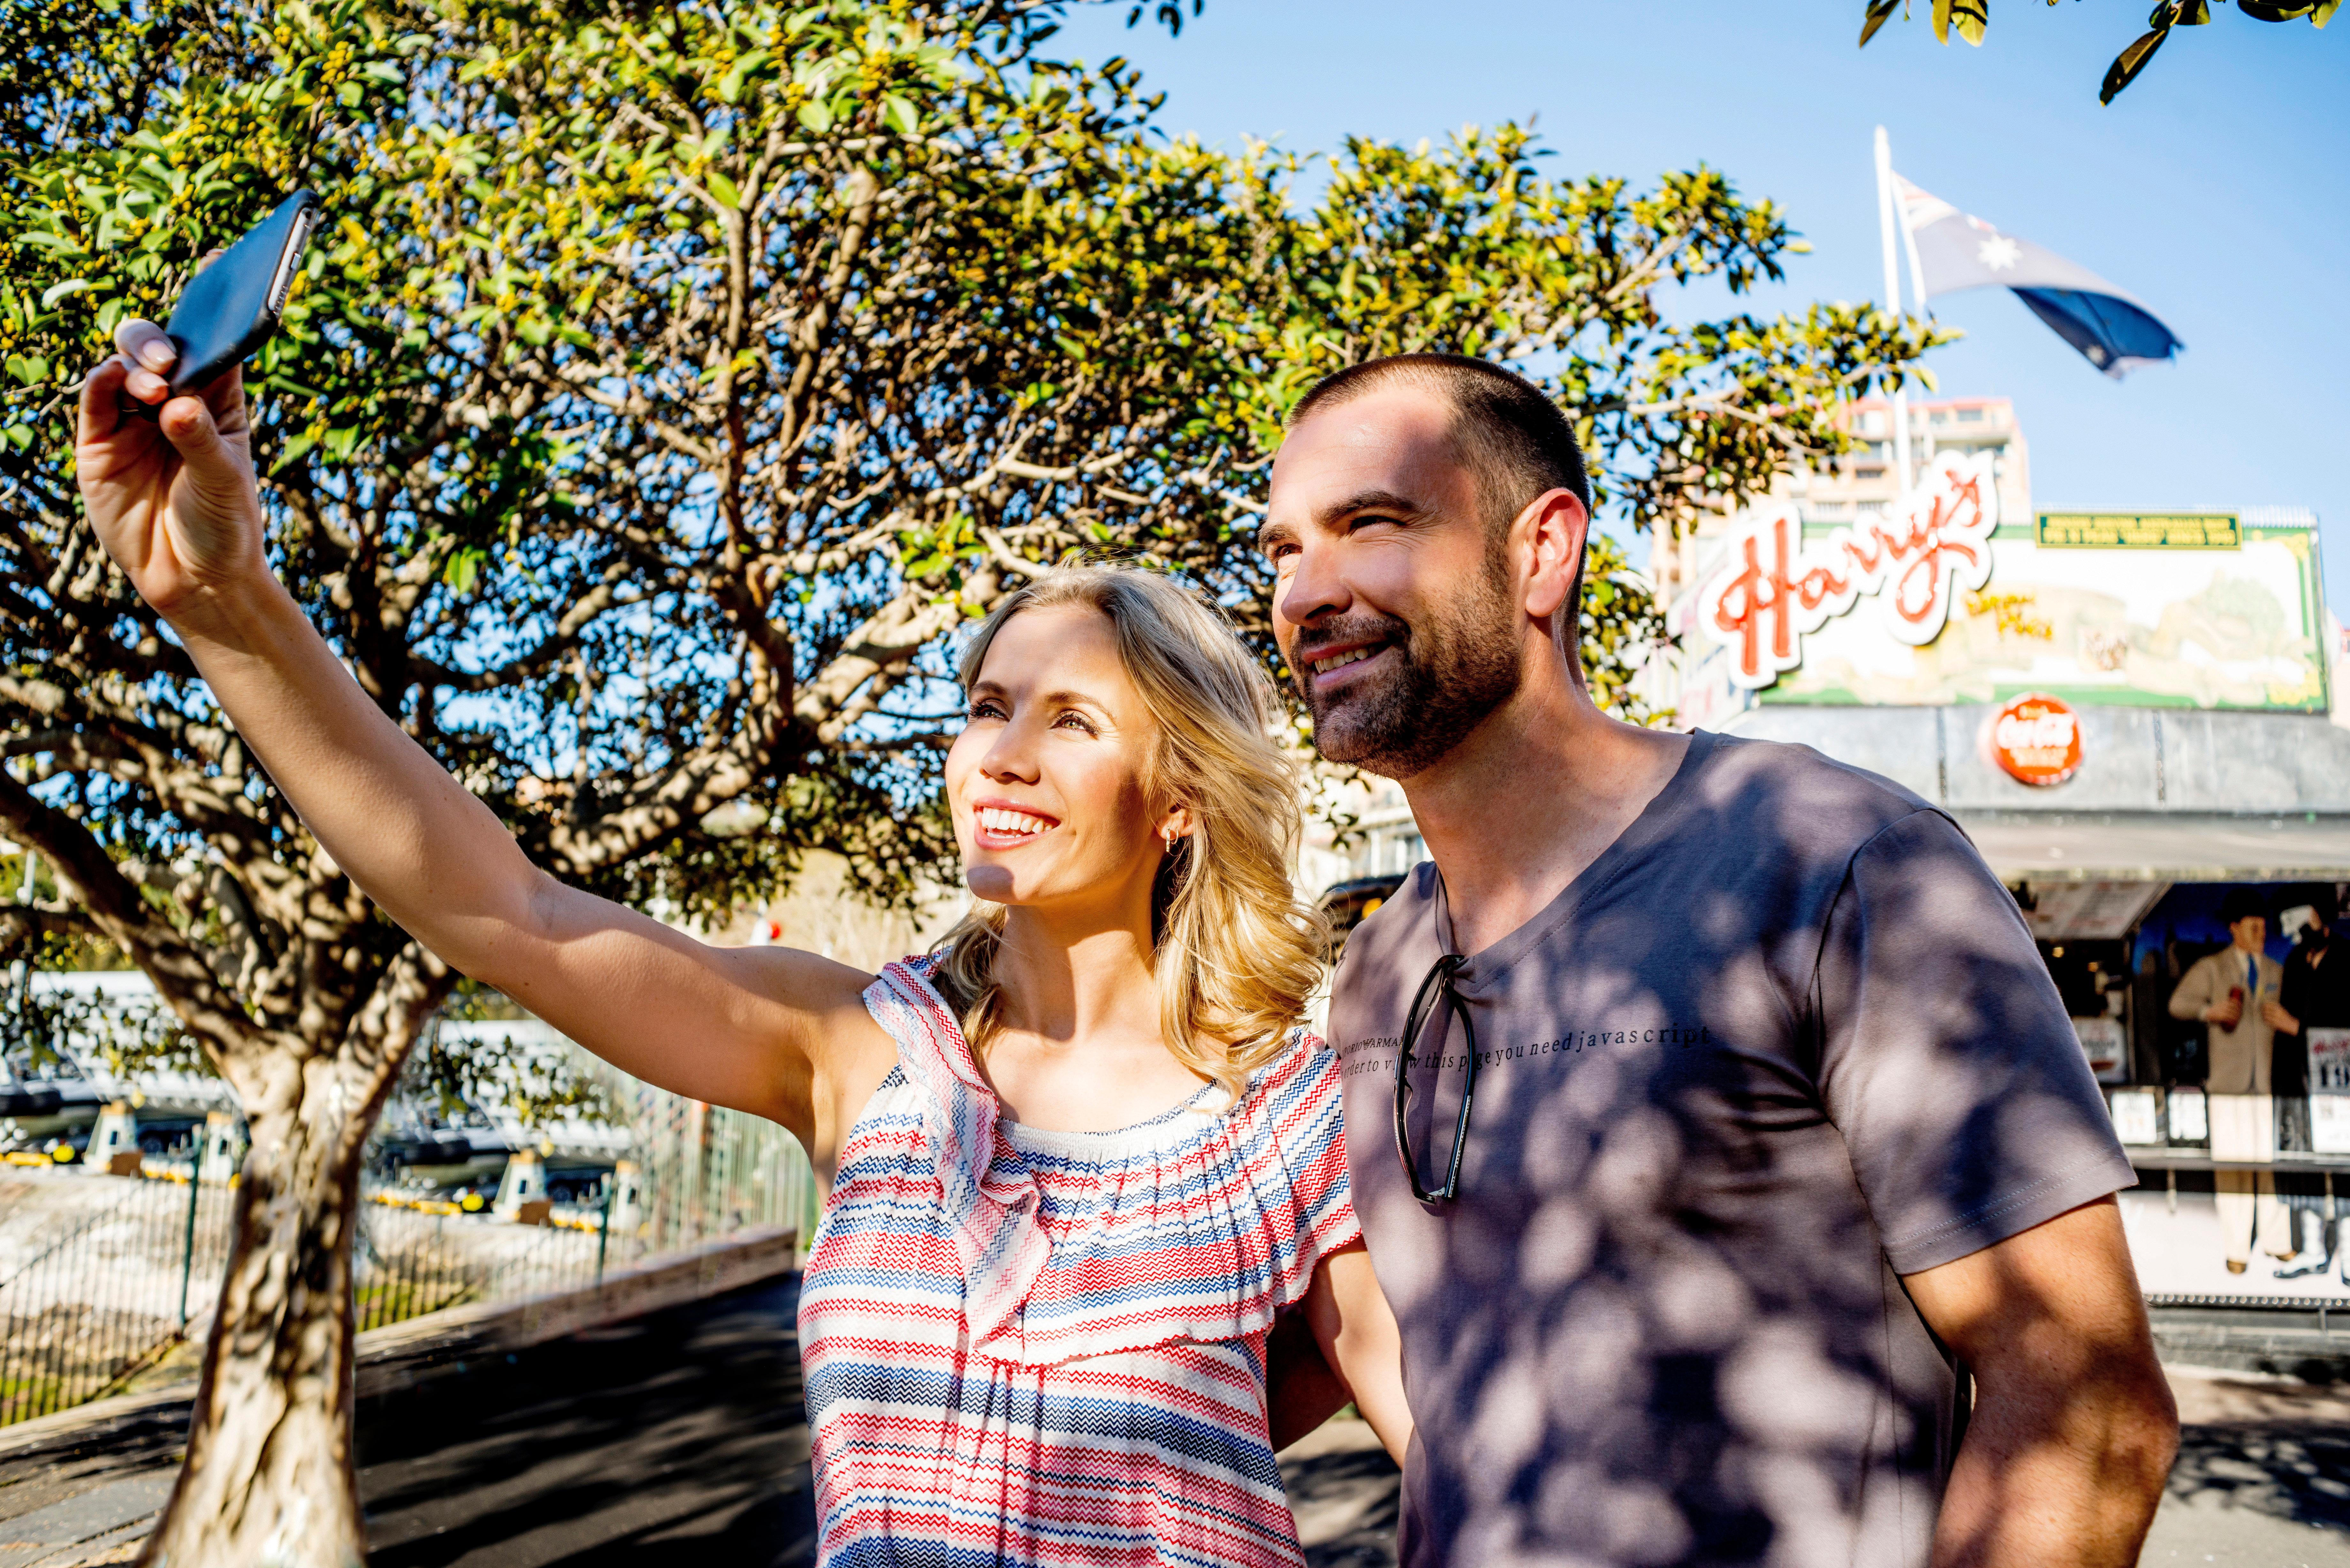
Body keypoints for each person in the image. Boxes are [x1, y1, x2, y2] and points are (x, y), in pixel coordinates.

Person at [77, 324, 1411, 1568]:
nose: (998, 755)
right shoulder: (857, 1051)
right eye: (987, 706)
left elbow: (1489, 1476)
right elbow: (508, 912)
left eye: (1068, 720)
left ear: (1180, 796)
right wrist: (226, 601)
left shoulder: (1292, 1121)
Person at [1256, 353, 2179, 1568]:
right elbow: (1382, 1343)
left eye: (1371, 524)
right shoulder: (1377, 965)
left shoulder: (1835, 860)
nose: (1308, 591)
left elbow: (2086, 1407)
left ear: (1542, 553)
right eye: (1280, 551)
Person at [2169, 888, 2288, 1272]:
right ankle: (2237, 1247)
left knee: (2268, 1164)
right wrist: (2209, 1010)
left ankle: (2276, 1240)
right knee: (2231, 1165)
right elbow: (2178, 1004)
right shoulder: (2213, 967)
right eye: (2252, 927)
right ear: (2234, 928)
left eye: (2263, 927)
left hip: (2265, 1081)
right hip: (2227, 1081)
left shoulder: (2274, 970)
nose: (2260, 934)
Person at [2265, 889, 2350, 1275]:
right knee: (2303, 1164)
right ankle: (2315, 1250)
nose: (2296, 930)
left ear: (2322, 918)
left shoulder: (2347, 958)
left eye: (2303, 919)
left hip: (2341, 1085)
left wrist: (2296, 1028)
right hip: (2297, 1084)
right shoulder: (2295, 962)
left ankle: (2348, 1253)